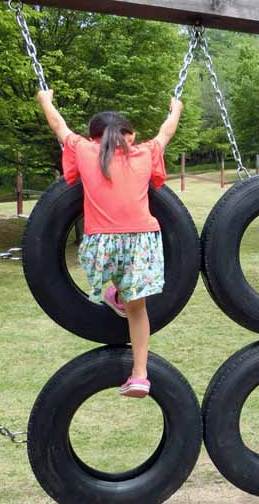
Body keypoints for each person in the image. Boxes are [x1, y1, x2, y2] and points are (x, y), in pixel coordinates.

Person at [37, 89, 184, 397]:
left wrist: (45, 100)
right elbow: (166, 132)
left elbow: (58, 125)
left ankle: (115, 293)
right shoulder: (143, 152)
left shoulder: (85, 150)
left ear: (95, 138)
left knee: (110, 284)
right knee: (138, 308)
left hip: (100, 246)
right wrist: (176, 110)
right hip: (141, 242)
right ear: (128, 137)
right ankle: (140, 375)